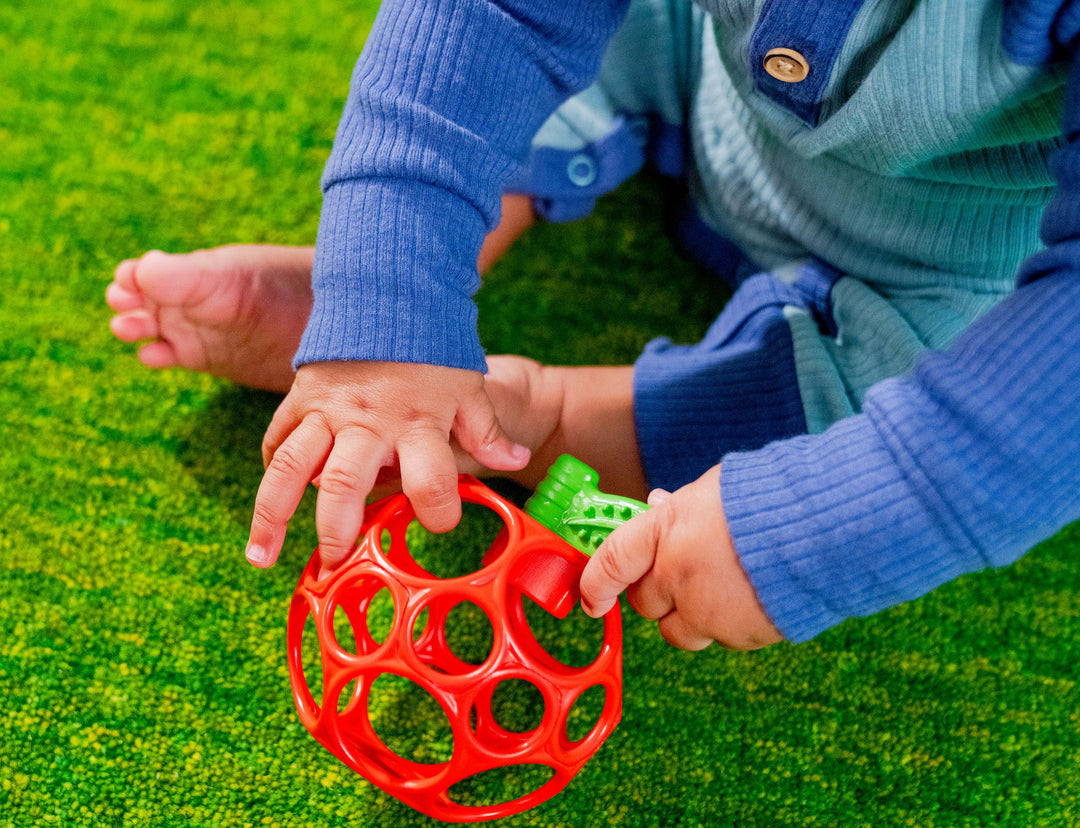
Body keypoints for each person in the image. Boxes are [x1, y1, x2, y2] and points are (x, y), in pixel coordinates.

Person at [107, 0, 1080, 651]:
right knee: (512, 75)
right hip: (688, 61)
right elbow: (492, 18)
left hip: (937, 266)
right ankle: (392, 313)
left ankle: (522, 415)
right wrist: (388, 292)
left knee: (866, 421)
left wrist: (799, 537)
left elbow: (1045, 393)